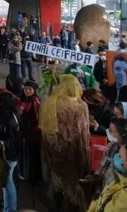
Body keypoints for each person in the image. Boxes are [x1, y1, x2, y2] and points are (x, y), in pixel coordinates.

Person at [40, 75, 91, 211]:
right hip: (73, 151)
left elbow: (45, 128)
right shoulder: (81, 106)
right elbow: (83, 132)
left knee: (56, 179)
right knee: (71, 184)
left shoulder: (50, 101)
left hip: (54, 148)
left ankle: (55, 201)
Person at [0, 92, 21, 212]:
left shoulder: (9, 120)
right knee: (6, 181)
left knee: (7, 182)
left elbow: (11, 139)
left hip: (10, 154)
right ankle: (8, 206)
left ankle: (10, 208)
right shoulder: (12, 115)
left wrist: (0, 144)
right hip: (11, 154)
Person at [19, 80, 42, 184]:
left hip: (32, 133)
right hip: (29, 132)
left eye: (30, 89)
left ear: (34, 90)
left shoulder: (34, 102)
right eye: (26, 89)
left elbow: (37, 118)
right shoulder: (27, 100)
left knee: (31, 155)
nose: (27, 91)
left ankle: (32, 177)